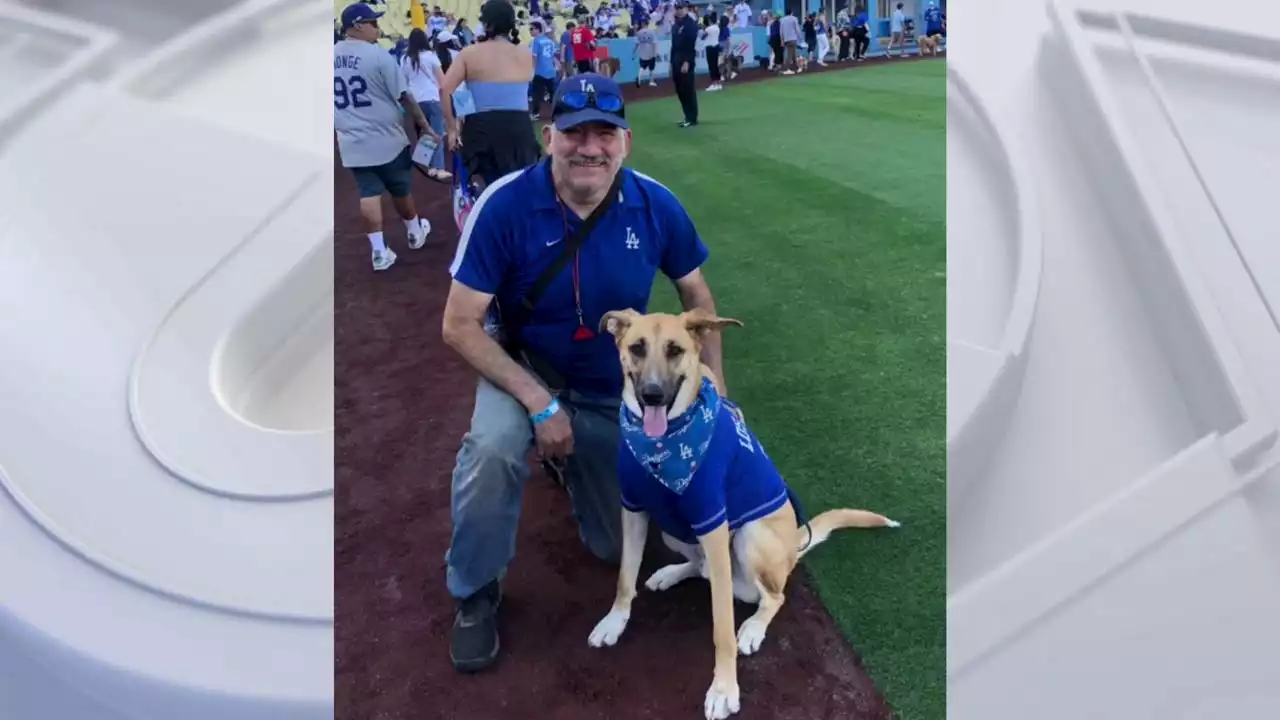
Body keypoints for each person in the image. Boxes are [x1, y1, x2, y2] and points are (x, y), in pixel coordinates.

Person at [441, 72, 727, 673]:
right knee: (490, 450)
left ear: (626, 143)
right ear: (550, 137)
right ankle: (474, 593)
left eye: (605, 133)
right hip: (525, 371)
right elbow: (459, 324)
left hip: (610, 388)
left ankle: (570, 465)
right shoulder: (506, 205)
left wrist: (717, 392)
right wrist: (539, 403)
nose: (589, 147)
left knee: (613, 546)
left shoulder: (654, 203)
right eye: (574, 133)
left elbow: (696, 297)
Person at [334, 3, 438, 272]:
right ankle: (415, 231)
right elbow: (404, 95)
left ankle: (379, 252)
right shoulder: (378, 56)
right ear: (357, 25)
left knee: (368, 193)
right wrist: (424, 124)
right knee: (400, 187)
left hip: (350, 138)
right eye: (372, 22)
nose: (377, 28)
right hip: (385, 136)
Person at [440, 0, 542, 190]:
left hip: (483, 127)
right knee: (519, 186)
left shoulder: (469, 53)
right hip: (520, 127)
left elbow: (446, 89)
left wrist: (452, 128)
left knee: (491, 188)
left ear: (487, 24)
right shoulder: (526, 54)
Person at [401, 28, 451, 182]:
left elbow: (404, 81)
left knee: (425, 132)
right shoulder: (431, 57)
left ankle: (429, 166)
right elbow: (442, 82)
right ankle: (439, 168)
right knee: (437, 133)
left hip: (414, 100)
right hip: (431, 97)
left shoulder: (404, 59)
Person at [670, 0, 699, 127]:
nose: (679, 10)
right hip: (676, 59)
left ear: (686, 9)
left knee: (688, 89)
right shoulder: (675, 25)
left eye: (681, 8)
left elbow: (691, 45)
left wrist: (687, 61)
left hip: (686, 59)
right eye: (677, 8)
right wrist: (671, 63)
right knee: (680, 90)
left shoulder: (690, 24)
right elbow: (673, 46)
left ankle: (692, 117)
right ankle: (687, 115)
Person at [528, 20, 559, 120]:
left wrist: (532, 70)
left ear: (538, 29)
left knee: (537, 94)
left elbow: (534, 57)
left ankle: (535, 113)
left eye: (532, 29)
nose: (530, 31)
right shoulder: (549, 41)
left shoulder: (536, 41)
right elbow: (553, 55)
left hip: (540, 71)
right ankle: (557, 113)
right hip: (551, 71)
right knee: (553, 94)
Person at [632, 18, 658, 88]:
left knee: (642, 67)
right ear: (648, 24)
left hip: (642, 53)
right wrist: (656, 52)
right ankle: (651, 81)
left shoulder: (639, 32)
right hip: (651, 52)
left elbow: (636, 44)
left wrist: (634, 51)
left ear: (642, 24)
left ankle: (639, 79)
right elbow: (655, 43)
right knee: (651, 68)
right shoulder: (651, 32)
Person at [700, 14, 722, 92]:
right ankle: (718, 83)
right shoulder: (717, 28)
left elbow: (702, 37)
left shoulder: (708, 29)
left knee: (711, 66)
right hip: (716, 47)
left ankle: (714, 84)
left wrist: (703, 28)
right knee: (716, 66)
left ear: (710, 20)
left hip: (710, 48)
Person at [779, 7, 800, 74]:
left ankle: (796, 67)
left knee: (792, 53)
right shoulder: (794, 19)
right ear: (791, 12)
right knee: (790, 54)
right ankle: (787, 69)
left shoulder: (782, 20)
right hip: (793, 38)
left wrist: (782, 40)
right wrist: (800, 37)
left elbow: (781, 31)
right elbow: (797, 29)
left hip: (786, 39)